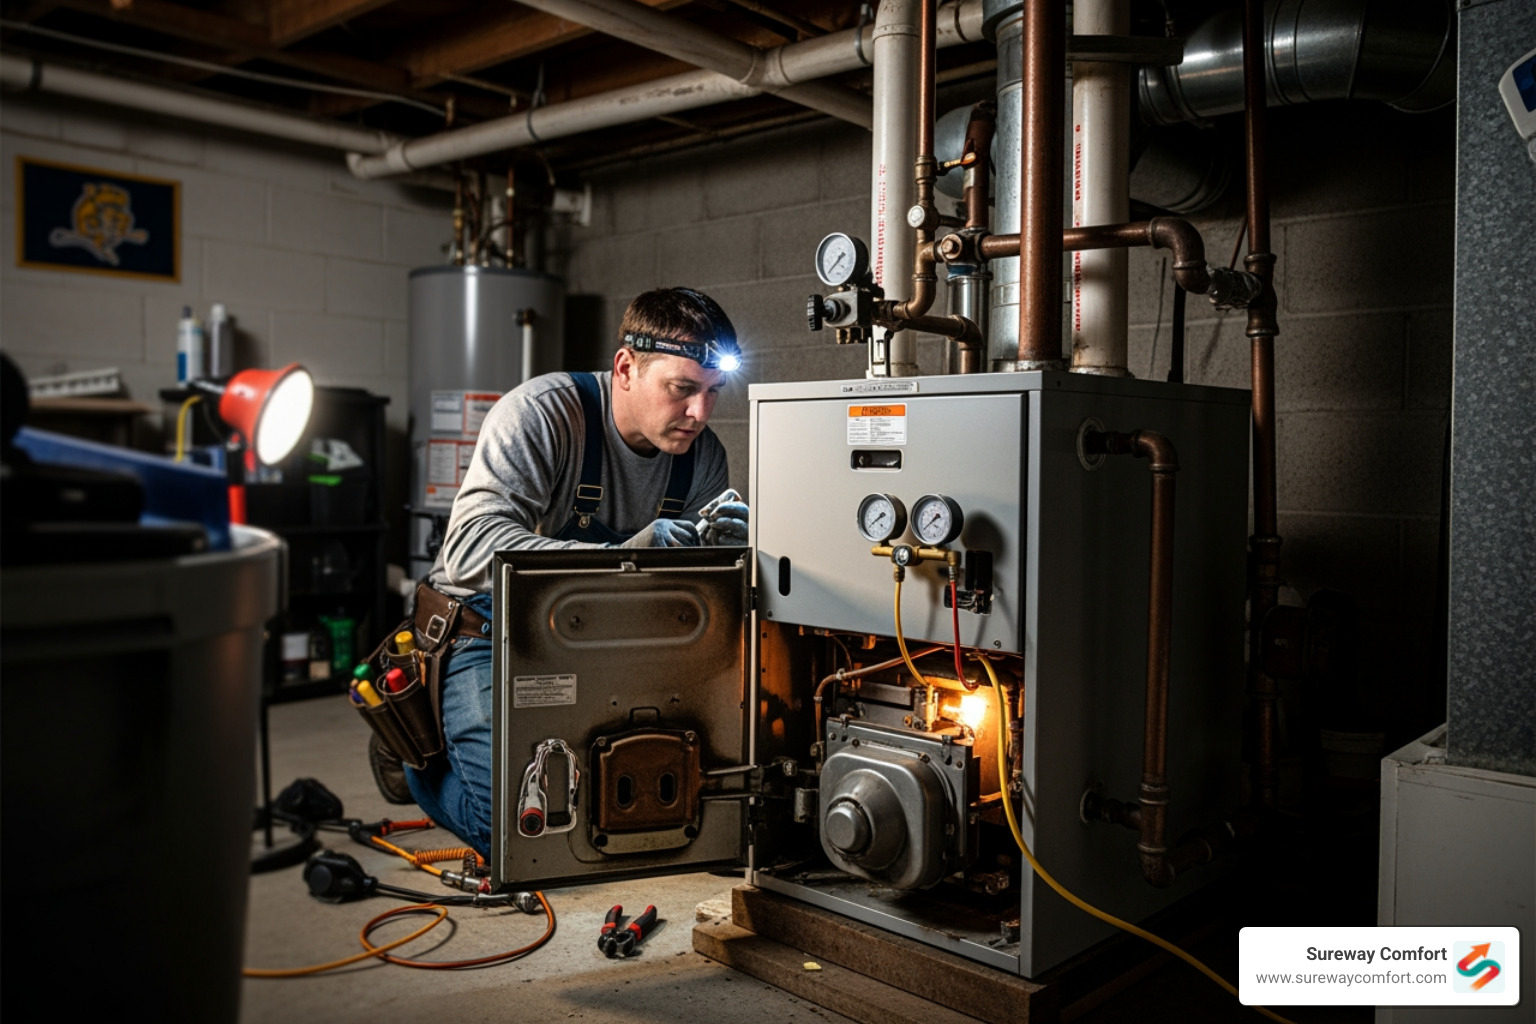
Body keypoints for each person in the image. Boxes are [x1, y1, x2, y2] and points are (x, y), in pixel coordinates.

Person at [373, 287, 750, 857]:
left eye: (712, 393)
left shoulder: (702, 457)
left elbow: (696, 601)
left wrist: (728, 558)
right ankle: (413, 753)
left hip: (601, 630)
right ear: (626, 368)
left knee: (653, 805)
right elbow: (472, 547)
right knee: (516, 831)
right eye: (683, 390)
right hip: (484, 625)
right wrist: (626, 557)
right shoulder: (543, 413)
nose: (700, 413)